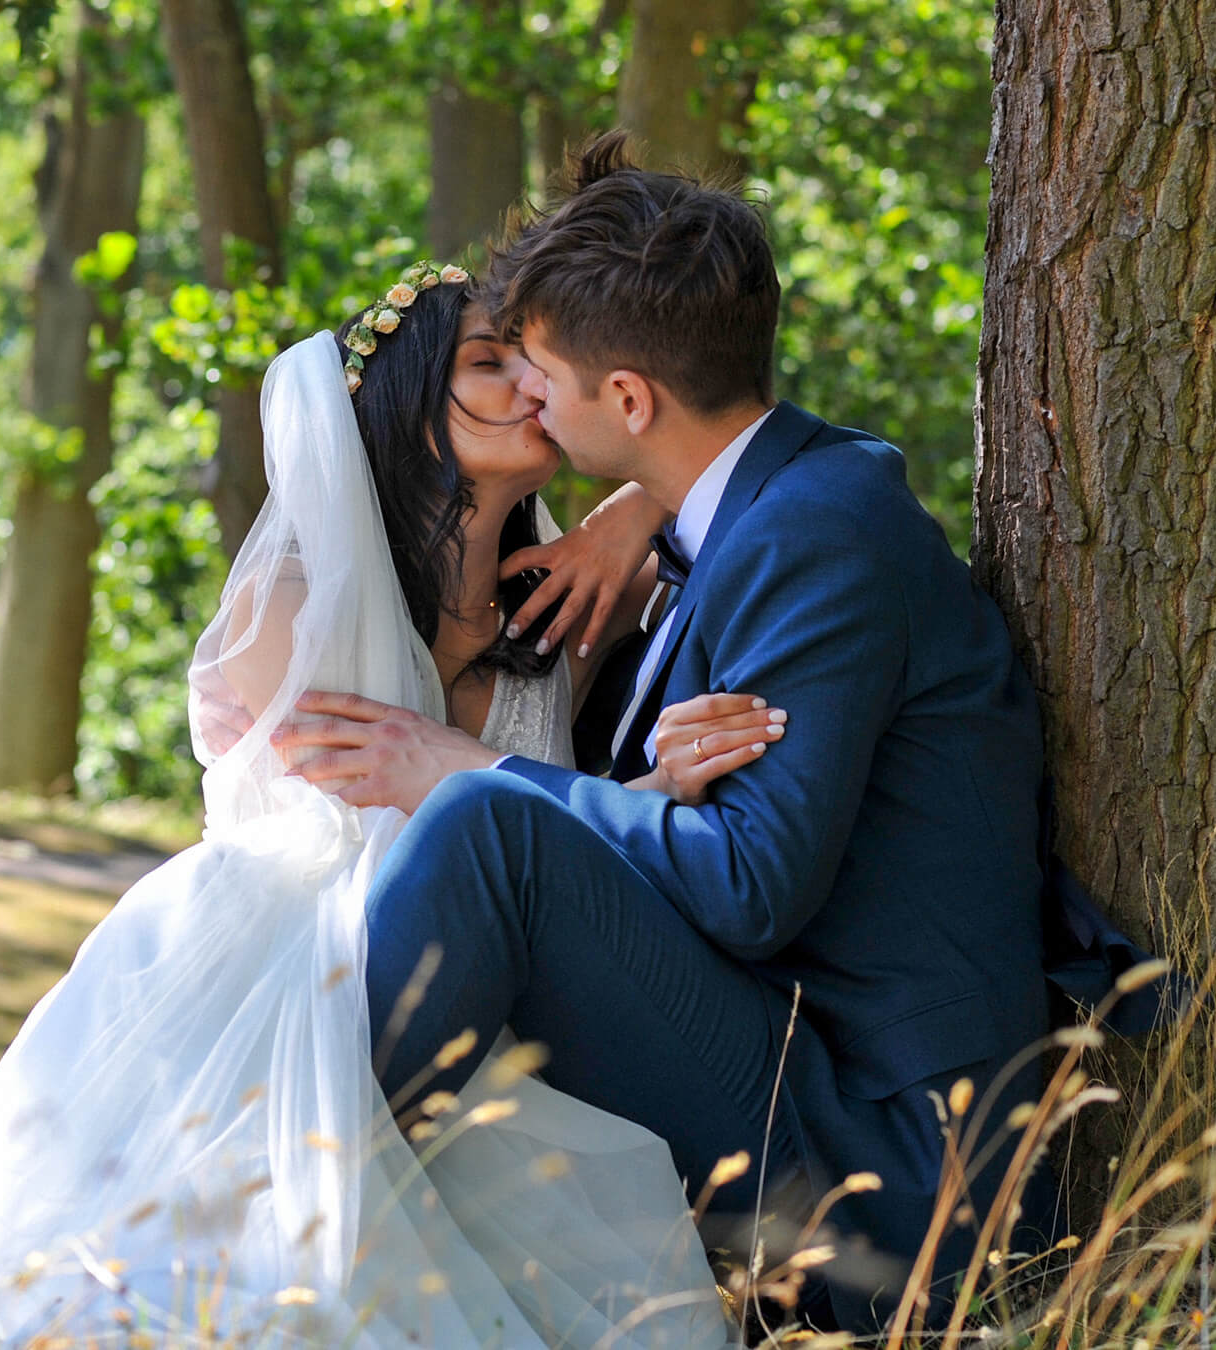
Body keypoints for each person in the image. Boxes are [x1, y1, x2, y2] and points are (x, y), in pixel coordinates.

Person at [0, 263, 747, 1348]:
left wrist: (627, 519)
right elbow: (388, 823)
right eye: (490, 364)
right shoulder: (292, 605)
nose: (534, 386)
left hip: (492, 993)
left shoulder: (562, 609)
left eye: (534, 364)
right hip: (291, 972)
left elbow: (706, 452)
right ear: (406, 412)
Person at [278, 134, 1062, 1333]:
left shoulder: (813, 535)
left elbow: (749, 888)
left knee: (490, 824)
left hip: (896, 1167)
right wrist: (637, 508)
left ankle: (290, 1227)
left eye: (543, 373)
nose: (531, 397)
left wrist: (465, 764)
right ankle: (320, 1225)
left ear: (630, 400)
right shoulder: (787, 505)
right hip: (811, 1077)